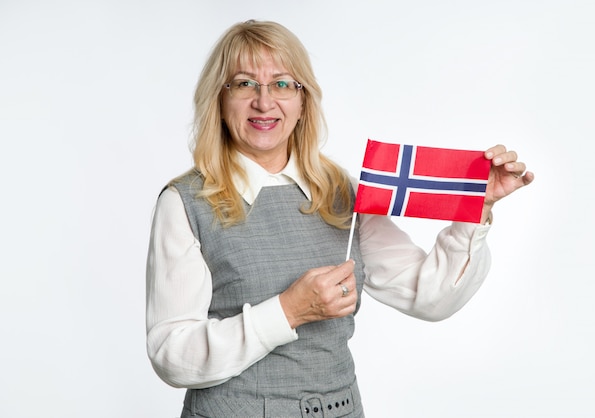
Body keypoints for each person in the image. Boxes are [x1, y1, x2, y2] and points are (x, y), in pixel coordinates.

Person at [145, 20, 534, 418]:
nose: (264, 102)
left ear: (303, 101)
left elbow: (429, 296)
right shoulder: (185, 203)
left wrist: (478, 207)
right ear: (219, 99)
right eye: (244, 83)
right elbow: (172, 353)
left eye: (282, 84)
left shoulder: (343, 194)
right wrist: (288, 310)